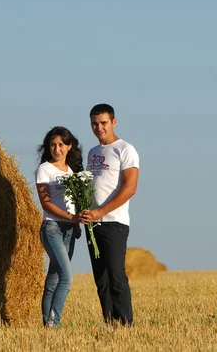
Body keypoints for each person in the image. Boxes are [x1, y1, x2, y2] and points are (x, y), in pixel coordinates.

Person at [80, 103, 140, 326]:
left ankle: (126, 324)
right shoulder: (93, 152)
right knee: (101, 279)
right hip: (92, 223)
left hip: (114, 222)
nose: (99, 127)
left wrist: (100, 211)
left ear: (113, 122)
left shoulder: (125, 149)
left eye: (103, 123)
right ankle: (110, 323)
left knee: (116, 276)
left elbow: (130, 188)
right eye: (94, 124)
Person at [35, 126, 84, 328]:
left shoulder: (72, 172)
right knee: (67, 278)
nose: (57, 149)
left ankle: (48, 328)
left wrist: (78, 221)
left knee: (54, 281)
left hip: (69, 231)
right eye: (53, 145)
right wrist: (71, 217)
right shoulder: (45, 169)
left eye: (61, 145)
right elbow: (46, 203)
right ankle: (54, 323)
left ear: (69, 146)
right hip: (52, 228)